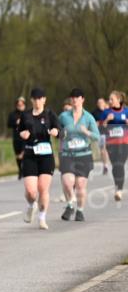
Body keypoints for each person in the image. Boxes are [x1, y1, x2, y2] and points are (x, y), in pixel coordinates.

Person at [17, 88, 60, 229]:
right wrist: (22, 134)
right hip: (30, 154)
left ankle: (42, 218)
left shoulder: (49, 114)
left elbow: (60, 131)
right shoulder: (26, 115)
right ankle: (31, 205)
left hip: (46, 155)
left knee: (43, 188)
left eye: (40, 98)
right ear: (31, 100)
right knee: (31, 191)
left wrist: (56, 132)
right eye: (35, 98)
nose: (37, 101)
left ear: (44, 99)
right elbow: (20, 130)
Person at [58, 88, 100, 222]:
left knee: (80, 185)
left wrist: (87, 133)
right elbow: (56, 132)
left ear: (82, 99)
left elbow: (97, 137)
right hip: (67, 154)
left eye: (77, 97)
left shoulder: (88, 118)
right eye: (72, 97)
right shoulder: (63, 116)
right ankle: (70, 203)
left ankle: (80, 210)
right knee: (67, 182)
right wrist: (60, 133)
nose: (74, 99)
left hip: (84, 154)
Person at [101, 90, 128, 201]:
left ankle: (119, 190)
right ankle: (117, 185)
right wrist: (107, 120)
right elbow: (101, 127)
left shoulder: (126, 111)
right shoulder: (106, 112)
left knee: (120, 165)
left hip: (124, 142)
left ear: (119, 100)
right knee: (115, 166)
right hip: (111, 143)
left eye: (112, 99)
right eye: (109, 99)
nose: (110, 101)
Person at [6, 97, 27, 179]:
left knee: (24, 154)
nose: (20, 106)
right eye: (18, 105)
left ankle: (25, 169)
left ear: (24, 105)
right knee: (18, 155)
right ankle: (20, 170)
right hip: (16, 137)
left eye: (21, 105)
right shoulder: (12, 114)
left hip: (25, 137)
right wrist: (15, 123)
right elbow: (8, 124)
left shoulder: (27, 113)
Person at [92, 97, 110, 174]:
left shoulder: (108, 111)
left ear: (104, 103)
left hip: (110, 133)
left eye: (101, 102)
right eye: (98, 103)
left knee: (107, 149)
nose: (100, 104)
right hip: (100, 133)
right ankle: (105, 165)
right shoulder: (94, 113)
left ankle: (108, 164)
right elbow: (91, 122)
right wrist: (95, 124)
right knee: (103, 150)